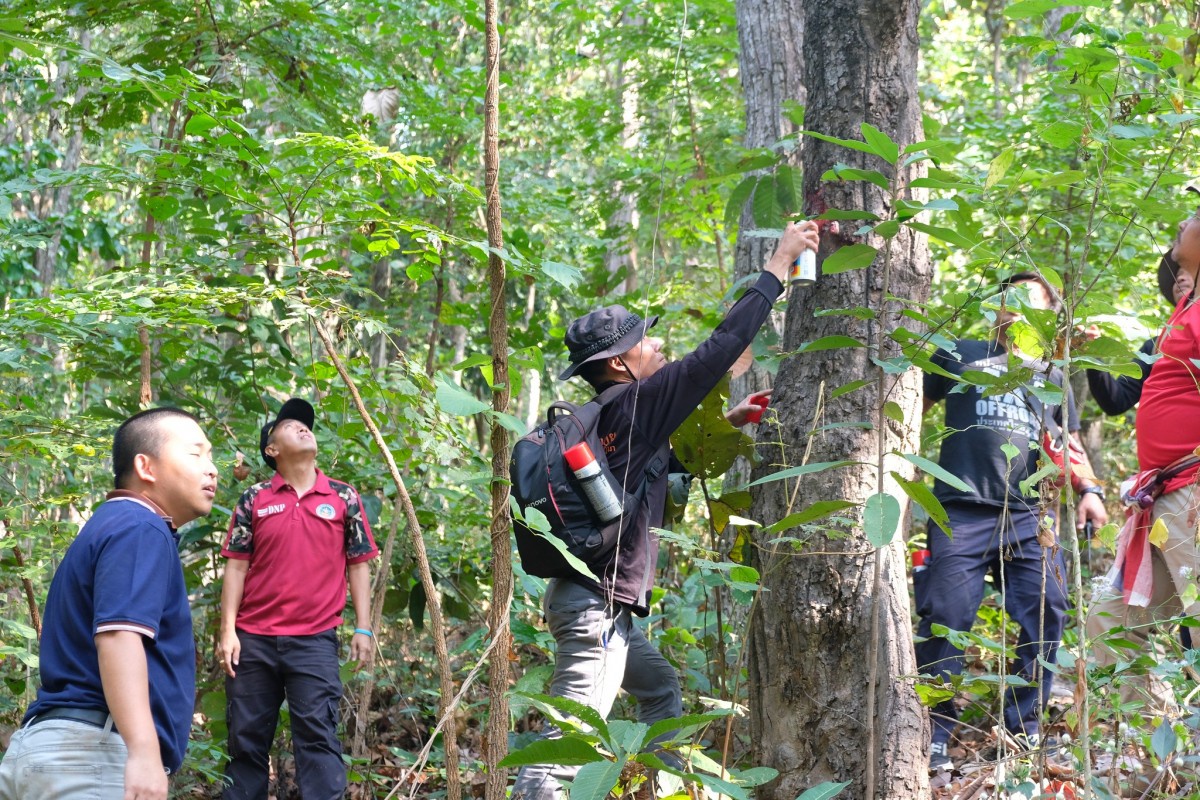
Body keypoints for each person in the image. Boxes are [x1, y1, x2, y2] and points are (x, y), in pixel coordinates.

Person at [510, 221, 819, 800]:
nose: (658, 347)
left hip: (597, 605)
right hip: (596, 610)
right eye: (645, 342)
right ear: (621, 363)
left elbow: (650, 474)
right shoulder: (637, 402)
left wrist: (729, 424)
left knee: (659, 692)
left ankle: (642, 789)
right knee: (568, 746)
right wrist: (777, 266)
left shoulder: (609, 417)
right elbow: (718, 351)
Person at [917, 273, 1109, 773]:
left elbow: (1066, 444)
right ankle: (932, 732)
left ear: (1048, 313)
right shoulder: (960, 353)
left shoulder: (1051, 377)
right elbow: (910, 408)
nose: (1016, 305)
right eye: (1009, 296)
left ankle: (1021, 731)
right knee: (944, 614)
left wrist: (1088, 490)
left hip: (1029, 517)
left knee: (1049, 608)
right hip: (960, 507)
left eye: (1031, 298)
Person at [0, 408, 218, 800]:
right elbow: (119, 636)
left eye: (211, 456)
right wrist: (145, 751)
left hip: (45, 752)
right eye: (196, 454)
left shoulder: (108, 526)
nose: (212, 469)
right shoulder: (140, 526)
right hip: (91, 756)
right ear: (145, 467)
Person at [218, 398, 378, 800]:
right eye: (290, 426)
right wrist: (227, 631)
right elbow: (236, 567)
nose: (303, 428)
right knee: (246, 743)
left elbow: (358, 564)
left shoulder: (344, 496)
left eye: (306, 425)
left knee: (319, 743)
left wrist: (363, 627)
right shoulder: (254, 498)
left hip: (315, 640)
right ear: (271, 450)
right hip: (252, 640)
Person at [1086, 210, 1200, 717]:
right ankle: (1159, 758)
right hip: (1159, 500)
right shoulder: (1175, 322)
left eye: (1191, 220)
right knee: (1110, 618)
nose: (1181, 224)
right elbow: (1117, 397)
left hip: (1193, 491)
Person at [1086, 251, 1194, 415]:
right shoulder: (1155, 348)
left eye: (1189, 271)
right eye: (1178, 274)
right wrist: (1093, 352)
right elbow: (1116, 401)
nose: (1180, 278)